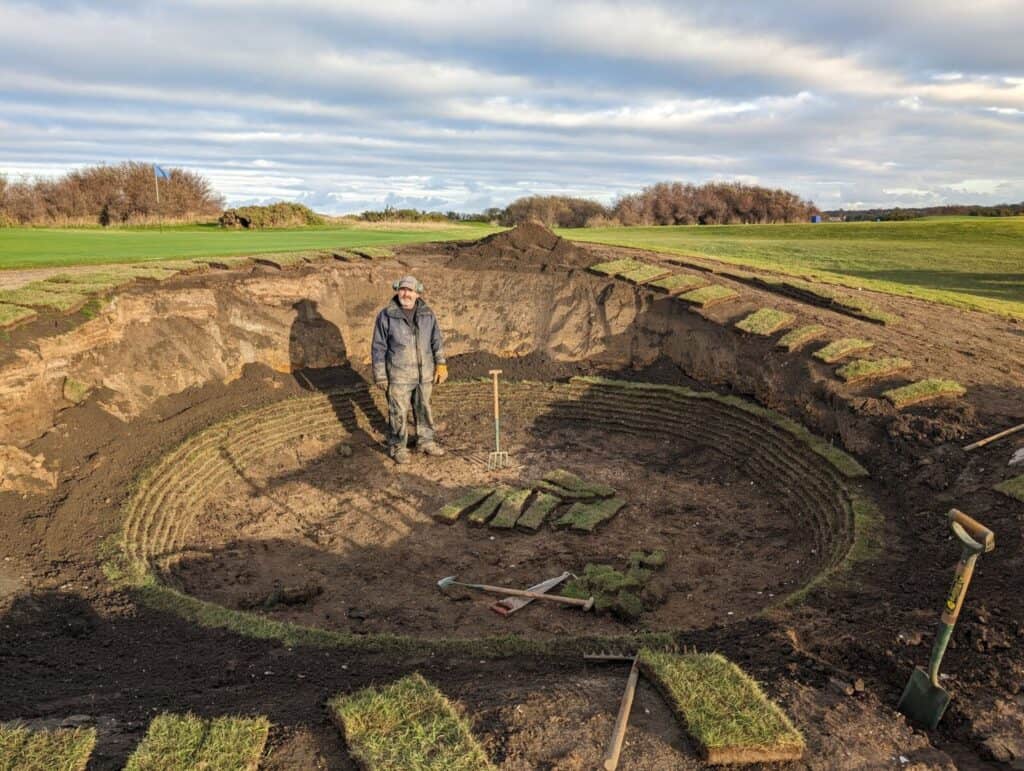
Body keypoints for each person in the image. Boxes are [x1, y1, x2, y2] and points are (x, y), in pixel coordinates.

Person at [371, 275, 448, 463]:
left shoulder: (427, 314)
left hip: (424, 374)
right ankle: (398, 447)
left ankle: (426, 441)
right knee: (398, 412)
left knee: (424, 408)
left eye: (410, 290)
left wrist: (441, 363)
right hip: (399, 374)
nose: (406, 293)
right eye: (403, 289)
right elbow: (378, 347)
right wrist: (381, 375)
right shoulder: (386, 315)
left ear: (417, 293)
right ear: (398, 290)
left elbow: (436, 341)